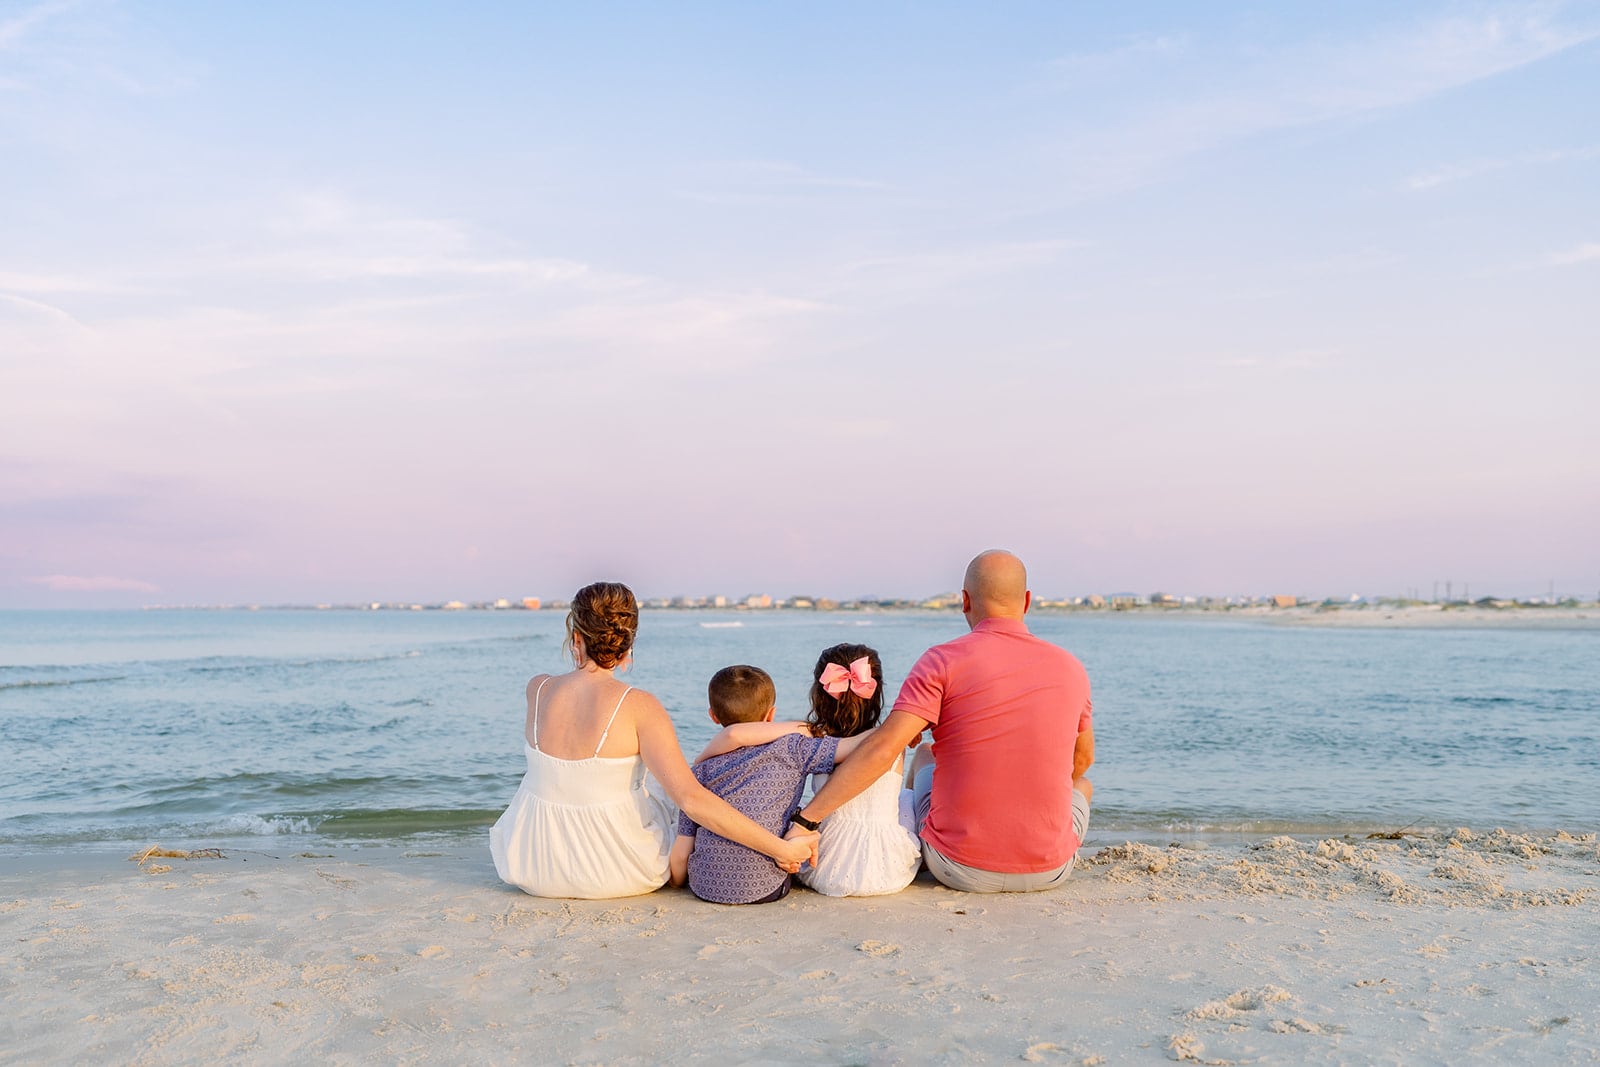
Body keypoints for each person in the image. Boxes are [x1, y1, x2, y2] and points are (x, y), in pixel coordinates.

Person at [786, 550, 1095, 893]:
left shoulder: (942, 661)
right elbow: (1080, 762)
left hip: (956, 867)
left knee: (923, 756)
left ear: (964, 600)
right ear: (1026, 601)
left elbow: (883, 749)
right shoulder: (1071, 668)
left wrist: (806, 819)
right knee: (1083, 786)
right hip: (1051, 869)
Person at [490, 583, 816, 899]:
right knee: (672, 789)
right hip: (616, 872)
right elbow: (692, 800)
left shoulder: (538, 688)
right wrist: (781, 849)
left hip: (532, 864)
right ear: (627, 643)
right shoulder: (639, 705)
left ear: (576, 638)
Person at [669, 664, 871, 904]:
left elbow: (681, 854)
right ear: (771, 715)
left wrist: (677, 884)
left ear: (713, 715)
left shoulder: (700, 771)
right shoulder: (792, 748)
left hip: (705, 888)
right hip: (766, 889)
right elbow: (854, 747)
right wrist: (896, 729)